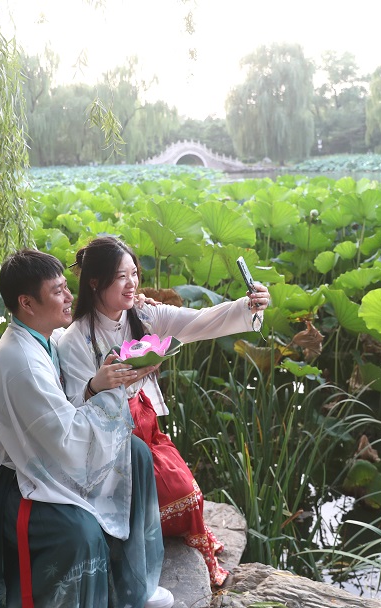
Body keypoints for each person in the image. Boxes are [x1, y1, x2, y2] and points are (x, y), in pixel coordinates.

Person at [0, 248, 175, 608]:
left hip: (42, 456)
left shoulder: (41, 339)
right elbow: (66, 442)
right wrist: (111, 392)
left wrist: (97, 387)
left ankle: (130, 587)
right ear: (27, 303)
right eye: (58, 291)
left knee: (137, 454)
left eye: (67, 287)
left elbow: (60, 417)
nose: (70, 298)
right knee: (81, 532)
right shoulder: (22, 363)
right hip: (16, 481)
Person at [57, 236, 271, 587]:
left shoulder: (143, 314)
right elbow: (71, 414)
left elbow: (200, 321)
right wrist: (98, 386)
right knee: (178, 494)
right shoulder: (75, 339)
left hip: (146, 424)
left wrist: (249, 306)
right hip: (106, 442)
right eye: (121, 277)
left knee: (189, 494)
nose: (132, 284)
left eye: (134, 274)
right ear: (94, 282)